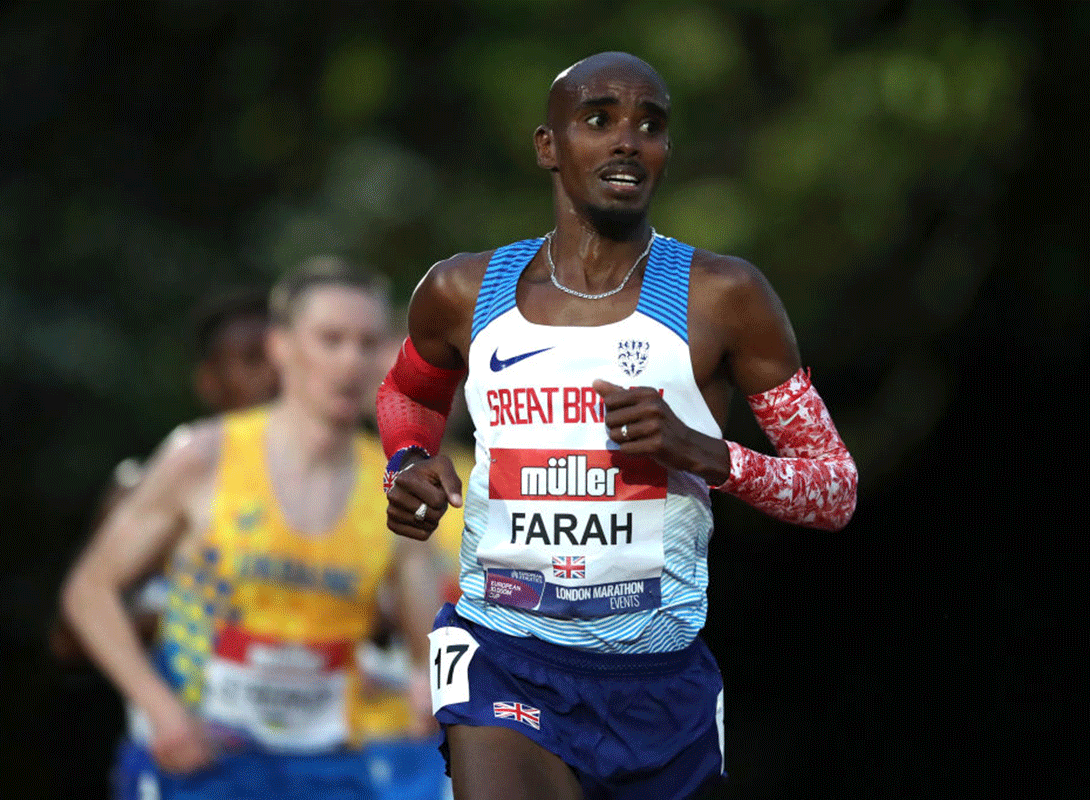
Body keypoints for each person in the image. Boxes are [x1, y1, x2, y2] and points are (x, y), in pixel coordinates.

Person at [377, 51, 858, 800]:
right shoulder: (462, 291)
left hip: (656, 682)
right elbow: (407, 393)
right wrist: (406, 458)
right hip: (503, 652)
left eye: (651, 125)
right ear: (549, 146)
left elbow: (834, 490)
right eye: (599, 119)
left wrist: (708, 454)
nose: (627, 140)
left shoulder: (724, 296)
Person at [61, 260, 443, 800]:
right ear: (280, 346)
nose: (351, 361)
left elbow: (427, 636)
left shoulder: (393, 482)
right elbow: (89, 591)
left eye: (368, 342)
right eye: (330, 339)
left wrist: (431, 681)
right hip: (202, 759)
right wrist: (159, 708)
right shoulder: (204, 456)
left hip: (327, 767)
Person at [51, 287, 278, 664]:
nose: (273, 376)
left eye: (282, 359)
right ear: (209, 382)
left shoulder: (357, 487)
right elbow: (70, 639)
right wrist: (196, 613)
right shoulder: (143, 488)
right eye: (253, 359)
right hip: (183, 718)